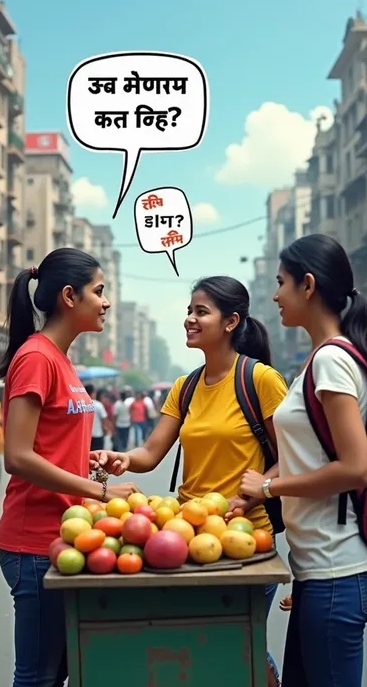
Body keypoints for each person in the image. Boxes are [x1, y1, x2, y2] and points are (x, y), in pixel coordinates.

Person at [102, 276, 288, 686]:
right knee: (198, 647)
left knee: (241, 647)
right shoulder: (185, 387)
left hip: (245, 541)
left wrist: (256, 493)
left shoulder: (260, 380)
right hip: (187, 536)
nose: (189, 319)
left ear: (231, 321)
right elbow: (149, 454)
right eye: (189, 311)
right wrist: (121, 458)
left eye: (200, 312)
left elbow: (292, 458)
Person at [239, 234, 367, 687]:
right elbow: (312, 453)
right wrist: (256, 488)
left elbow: (355, 467)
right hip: (318, 571)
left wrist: (268, 489)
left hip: (338, 570)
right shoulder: (320, 359)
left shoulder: (332, 362)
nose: (275, 295)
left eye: (281, 282)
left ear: (308, 286)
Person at [0, 248, 140, 687]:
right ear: (70, 297)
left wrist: (88, 461)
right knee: (38, 677)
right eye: (100, 291)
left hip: (65, 537)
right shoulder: (37, 357)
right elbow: (17, 456)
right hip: (33, 544)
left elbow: (48, 443)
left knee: (61, 671)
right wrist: (100, 493)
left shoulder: (61, 359)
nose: (106, 301)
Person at [85, 384, 112, 450]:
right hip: (98, 435)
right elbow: (104, 419)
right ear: (93, 393)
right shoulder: (98, 405)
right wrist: (106, 429)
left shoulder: (82, 405)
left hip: (86, 437)